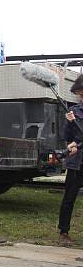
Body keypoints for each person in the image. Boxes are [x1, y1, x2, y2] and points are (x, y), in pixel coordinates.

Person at [58, 74, 83, 246]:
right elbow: (67, 136)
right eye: (80, 93)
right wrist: (71, 143)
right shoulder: (74, 112)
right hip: (77, 163)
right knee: (69, 198)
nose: (80, 96)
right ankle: (63, 232)